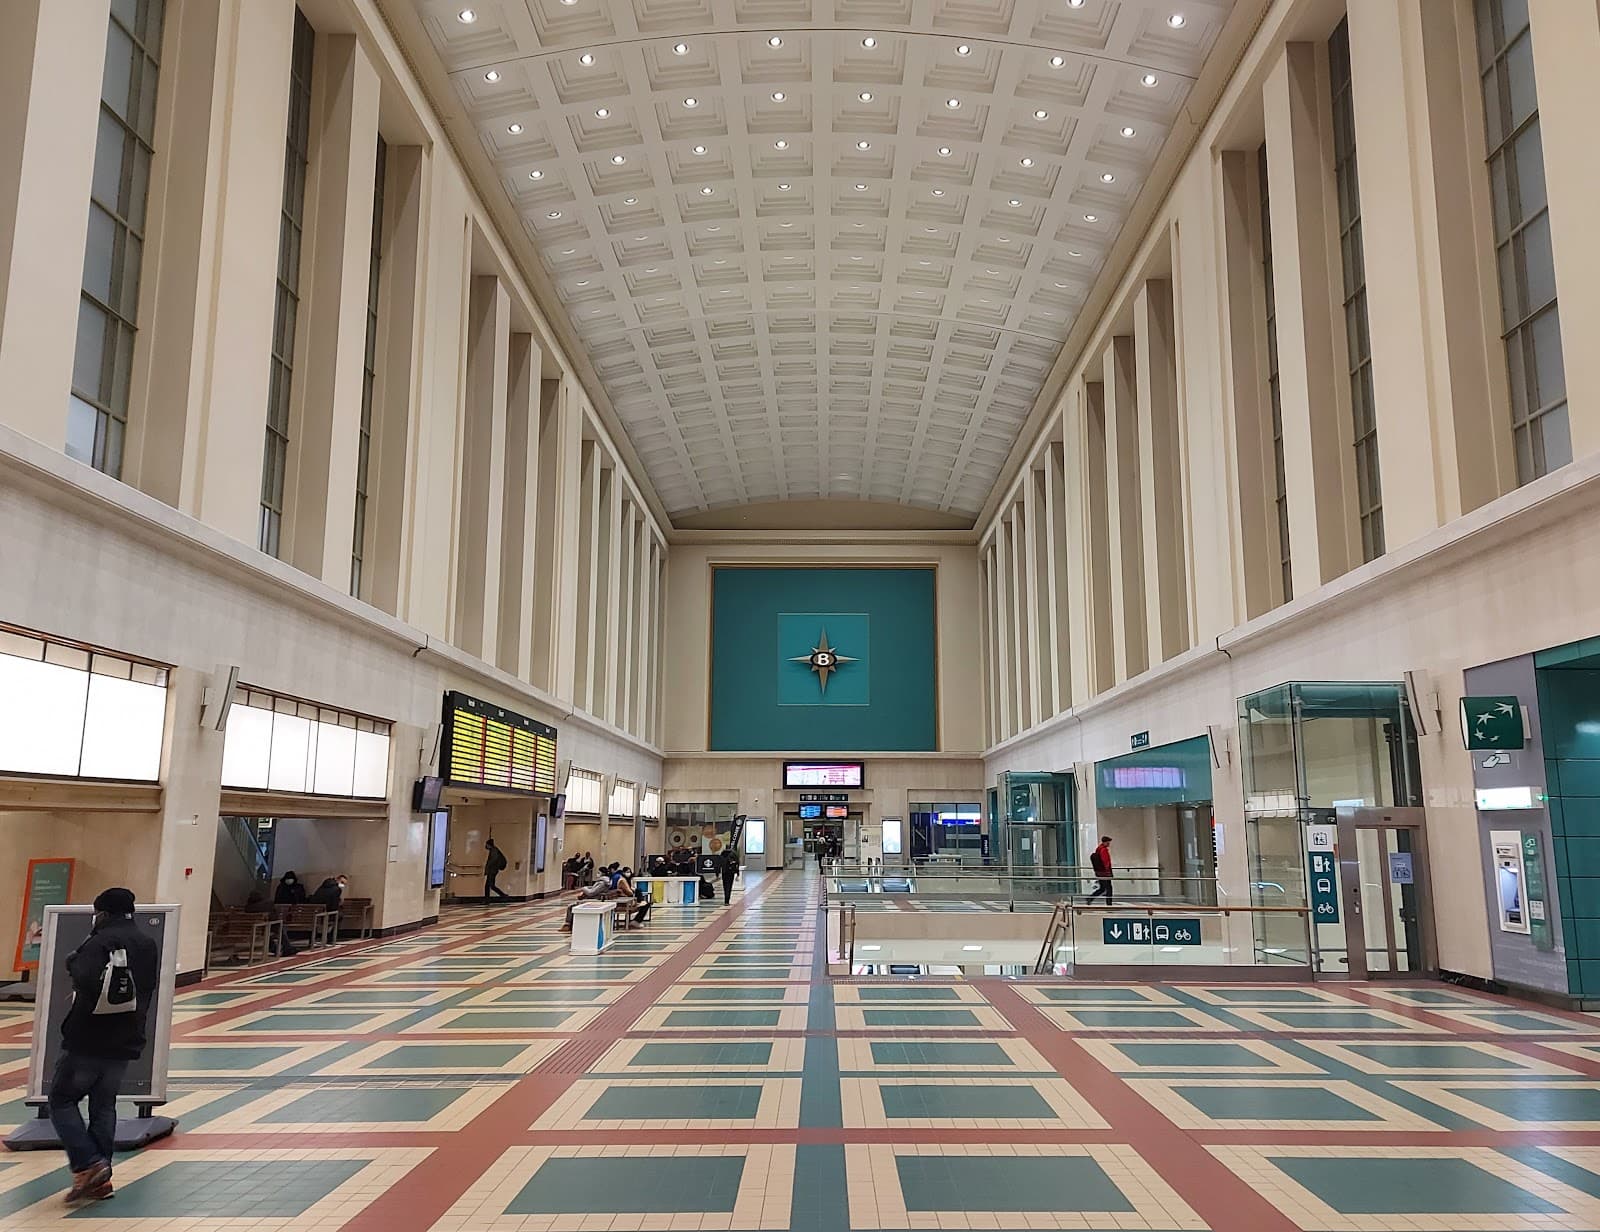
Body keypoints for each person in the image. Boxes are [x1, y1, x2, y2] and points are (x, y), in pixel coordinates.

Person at [48, 887, 160, 1204]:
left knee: (61, 1101)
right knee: (103, 1106)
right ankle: (100, 1180)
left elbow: (83, 978)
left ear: (104, 914)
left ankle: (88, 1164)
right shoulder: (147, 943)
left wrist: (74, 963)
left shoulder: (100, 941)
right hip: (125, 1041)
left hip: (88, 1039)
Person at [1088, 835, 1114, 905]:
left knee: (1102, 888)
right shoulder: (1103, 850)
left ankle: (1090, 898)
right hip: (1105, 873)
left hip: (1099, 872)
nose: (1109, 843)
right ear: (1105, 842)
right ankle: (1109, 904)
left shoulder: (1098, 849)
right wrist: (1108, 872)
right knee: (1109, 888)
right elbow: (1106, 861)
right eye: (1108, 842)